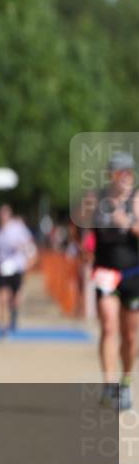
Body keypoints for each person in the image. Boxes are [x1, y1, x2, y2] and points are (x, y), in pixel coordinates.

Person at [86, 152, 139, 411]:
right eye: (120, 172)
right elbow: (82, 232)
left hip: (132, 274)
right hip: (105, 272)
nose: (125, 177)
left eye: (129, 172)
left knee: (130, 335)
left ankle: (125, 382)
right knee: (108, 326)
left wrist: (127, 222)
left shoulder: (136, 200)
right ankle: (109, 386)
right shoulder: (96, 199)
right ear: (110, 175)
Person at [0, 205, 36, 337]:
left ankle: (13, 313)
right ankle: (2, 328)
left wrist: (28, 257)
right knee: (2, 299)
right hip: (3, 270)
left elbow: (29, 244)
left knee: (15, 300)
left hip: (17, 268)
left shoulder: (18, 228)